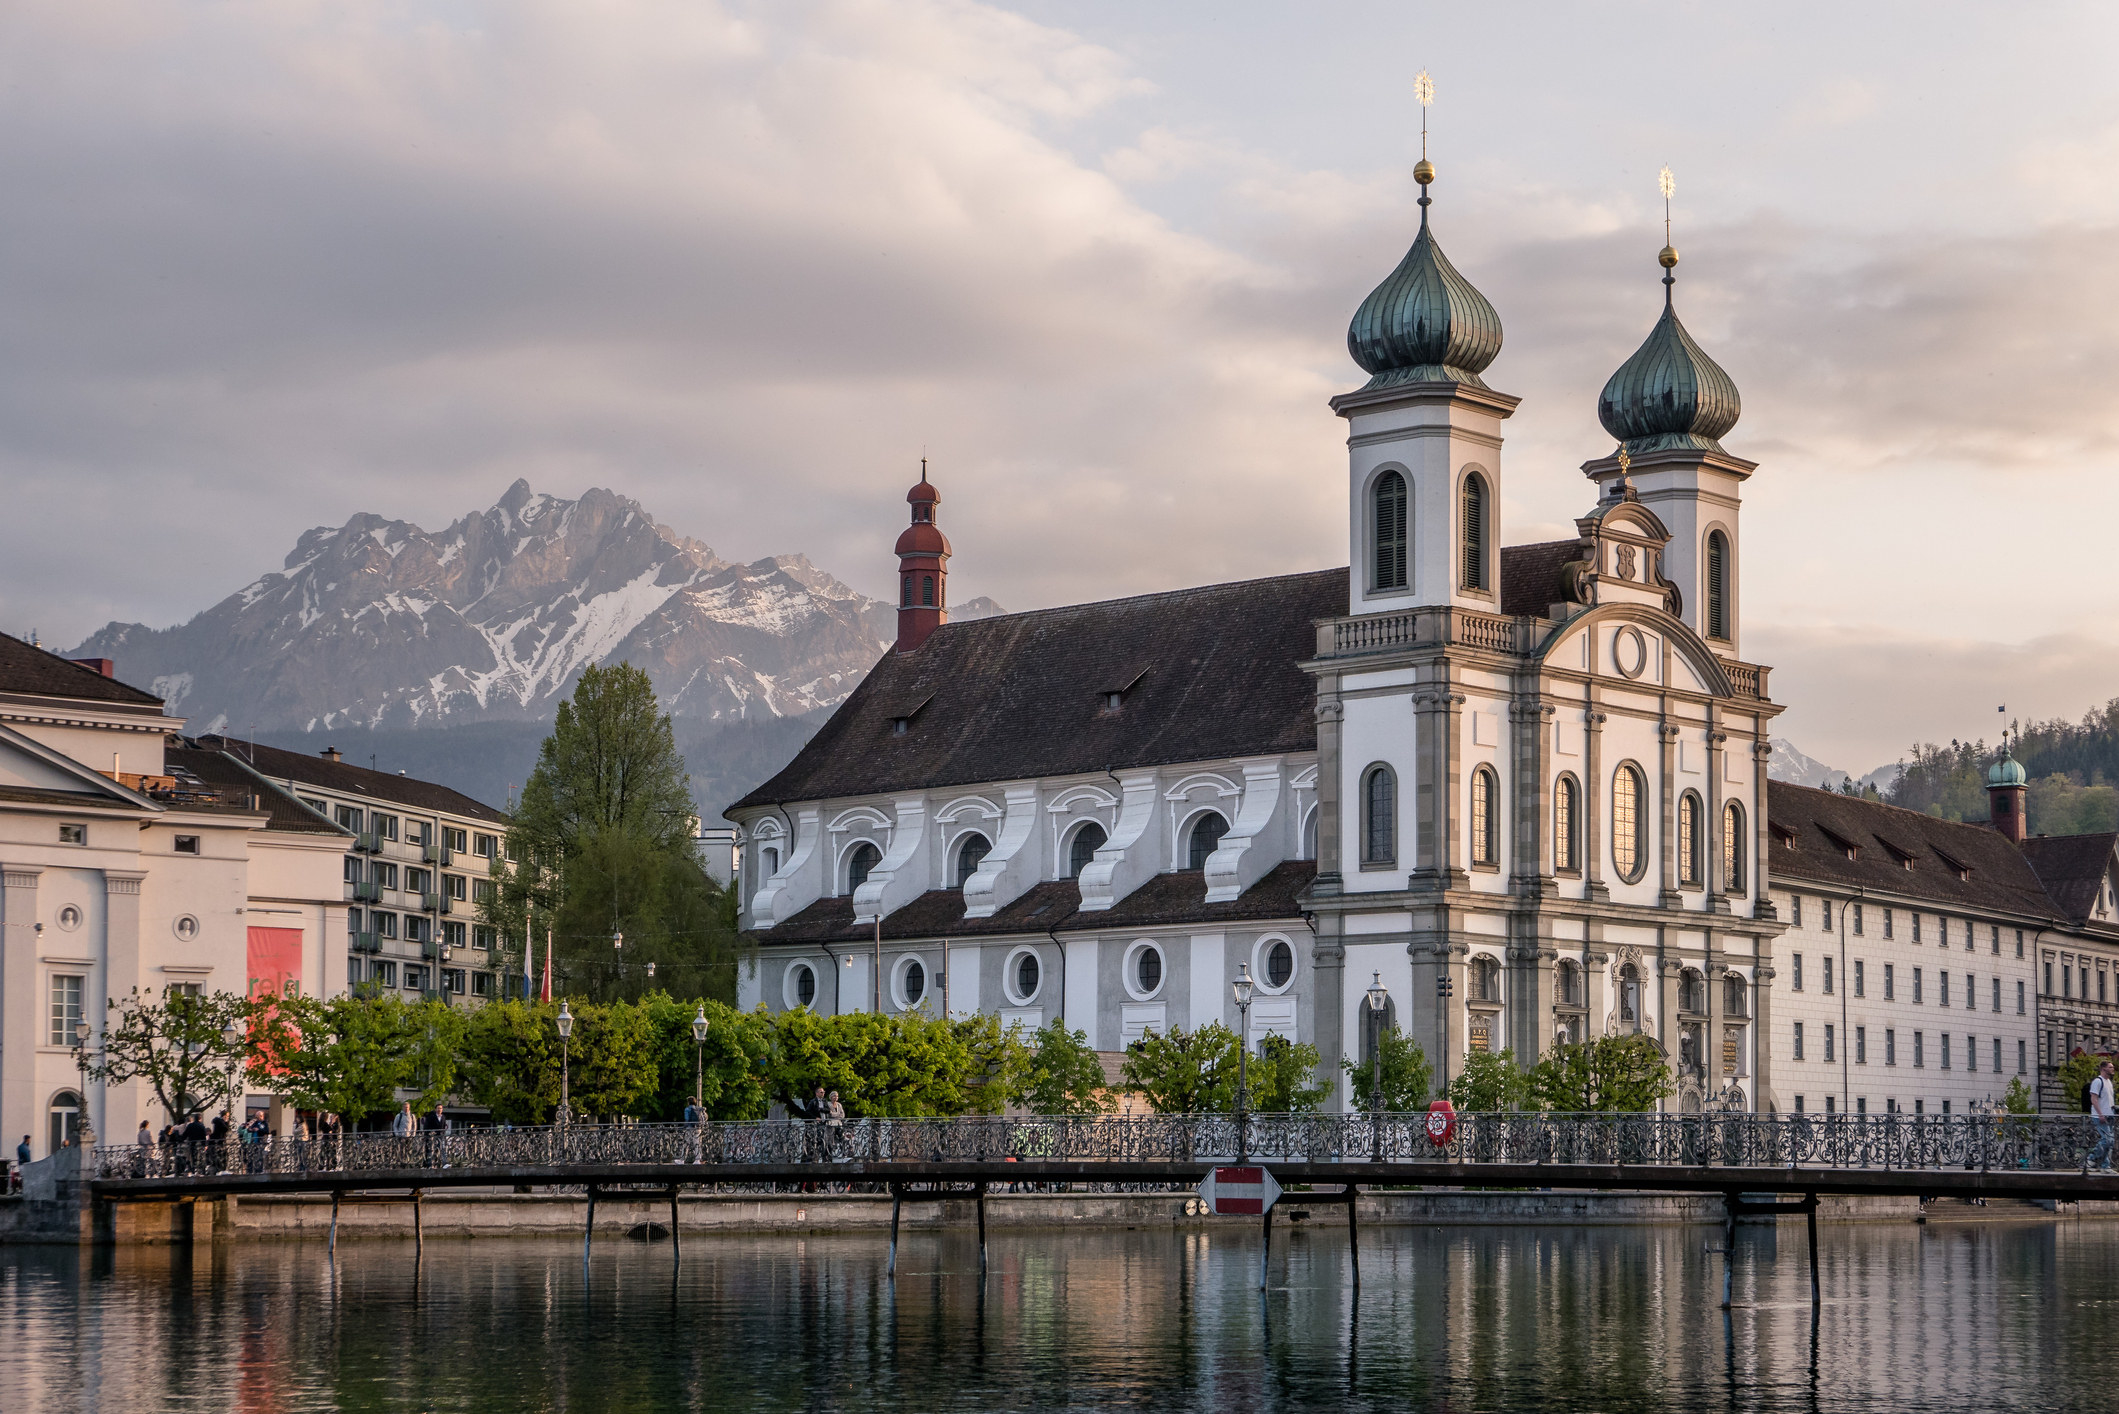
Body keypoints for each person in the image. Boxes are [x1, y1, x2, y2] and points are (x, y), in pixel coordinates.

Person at [2090, 1060, 2116, 1173]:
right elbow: (2094, 1099)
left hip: (2109, 1115)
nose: (2112, 1069)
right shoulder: (2098, 1081)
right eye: (2110, 1067)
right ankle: (2091, 1158)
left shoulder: (2109, 1082)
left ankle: (2106, 1166)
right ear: (2103, 1068)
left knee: (2109, 1141)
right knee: (2107, 1139)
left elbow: (2108, 1100)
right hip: (2100, 1115)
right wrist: (2100, 1114)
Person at [826, 1091, 846, 1160]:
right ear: (831, 1097)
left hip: (838, 1123)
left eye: (837, 1096)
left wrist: (834, 1115)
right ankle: (829, 1155)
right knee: (830, 1140)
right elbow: (829, 1114)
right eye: (834, 1096)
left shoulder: (839, 1105)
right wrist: (836, 1115)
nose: (836, 1098)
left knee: (842, 1137)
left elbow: (842, 1115)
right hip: (831, 1124)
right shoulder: (828, 1104)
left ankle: (843, 1152)